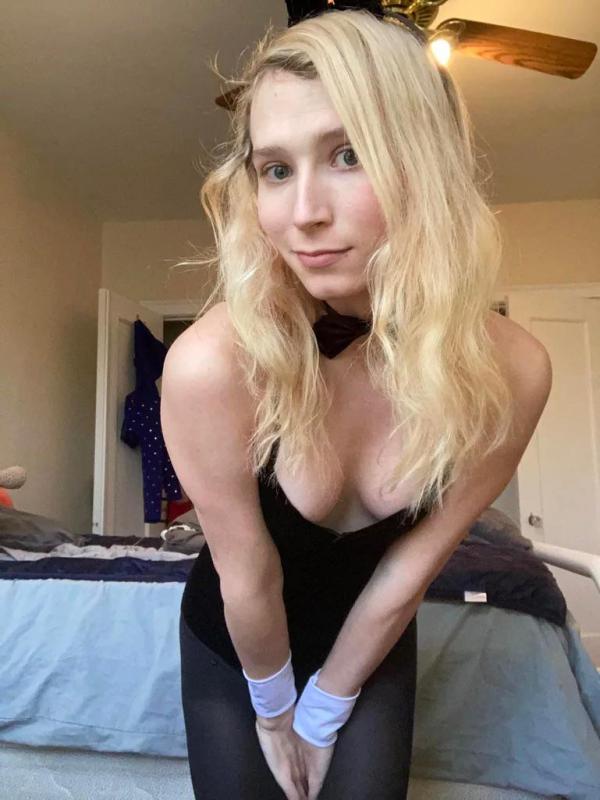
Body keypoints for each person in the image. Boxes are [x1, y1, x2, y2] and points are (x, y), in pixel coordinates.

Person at [160, 4, 552, 799]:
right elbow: (248, 574)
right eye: (276, 169)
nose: (304, 212)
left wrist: (326, 709)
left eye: (348, 154)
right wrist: (277, 713)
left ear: (422, 166)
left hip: (374, 639)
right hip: (236, 640)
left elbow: (411, 568)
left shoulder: (513, 370)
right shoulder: (211, 365)